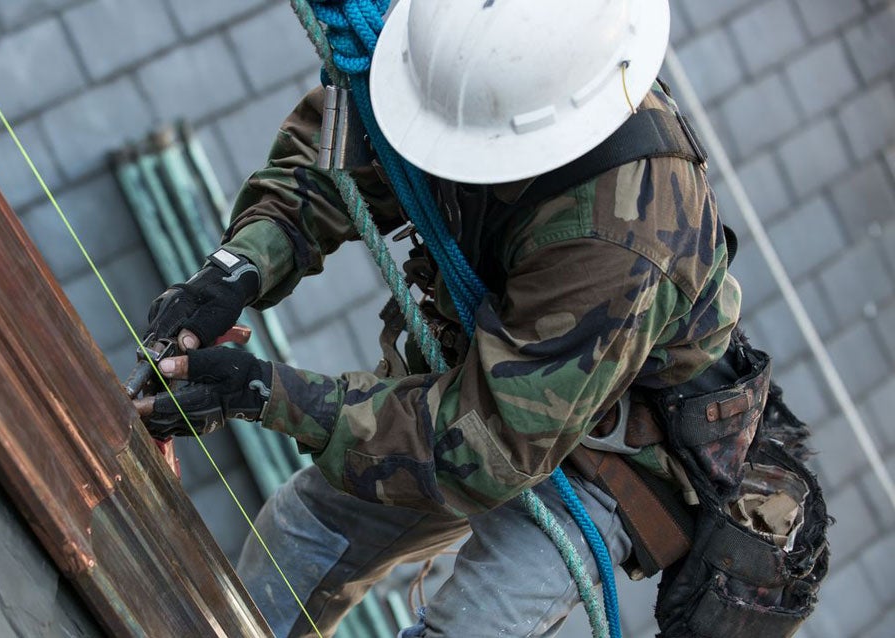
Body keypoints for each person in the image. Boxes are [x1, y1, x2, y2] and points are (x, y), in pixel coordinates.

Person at [134, 1, 743, 636]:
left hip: (608, 453)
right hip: (482, 379)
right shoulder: (449, 46)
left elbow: (487, 447)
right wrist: (241, 265)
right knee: (303, 535)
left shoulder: (618, 238)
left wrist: (267, 393)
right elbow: (344, 156)